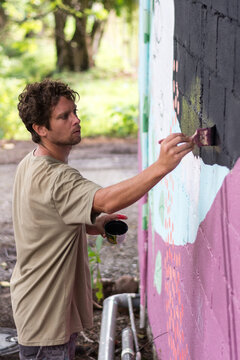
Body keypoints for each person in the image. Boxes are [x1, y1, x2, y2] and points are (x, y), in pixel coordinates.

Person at [10, 79, 193, 360]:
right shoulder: (57, 176)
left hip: (40, 309)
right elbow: (107, 199)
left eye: (74, 111)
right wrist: (161, 166)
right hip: (45, 319)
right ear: (40, 128)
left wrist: (96, 224)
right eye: (64, 116)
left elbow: (49, 216)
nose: (76, 120)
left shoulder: (31, 162)